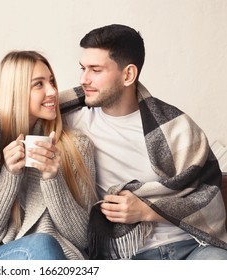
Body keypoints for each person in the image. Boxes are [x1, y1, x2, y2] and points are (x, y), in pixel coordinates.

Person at [61, 24, 227, 260]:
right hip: (131, 256)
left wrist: (147, 210)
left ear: (128, 75)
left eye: (95, 70)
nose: (83, 79)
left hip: (191, 247)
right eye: (83, 68)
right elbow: (14, 112)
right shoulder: (72, 122)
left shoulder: (174, 127)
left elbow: (208, 196)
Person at [0, 50, 98, 260]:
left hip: (57, 263)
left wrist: (53, 179)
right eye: (39, 84)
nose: (52, 91)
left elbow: (83, 239)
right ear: (16, 91)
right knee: (41, 244)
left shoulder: (77, 146)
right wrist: (9, 174)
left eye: (52, 81)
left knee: (44, 244)